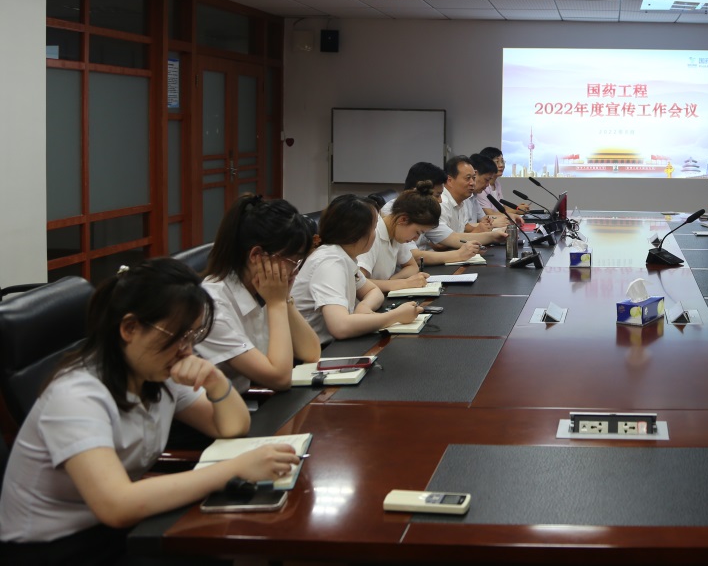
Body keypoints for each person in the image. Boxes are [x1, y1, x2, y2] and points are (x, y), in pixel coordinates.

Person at [0, 259, 300, 564]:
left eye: (192, 336)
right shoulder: (76, 396)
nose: (187, 350)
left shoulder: (154, 371)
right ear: (130, 328)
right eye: (177, 336)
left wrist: (214, 380)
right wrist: (234, 469)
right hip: (54, 547)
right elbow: (116, 505)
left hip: (116, 529)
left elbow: (231, 426)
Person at [195, 195, 321, 394]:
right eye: (292, 261)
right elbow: (279, 379)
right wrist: (277, 303)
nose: (296, 271)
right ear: (256, 256)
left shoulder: (261, 289)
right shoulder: (213, 306)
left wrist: (285, 299)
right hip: (217, 409)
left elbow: (311, 352)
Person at [291, 194, 423, 344]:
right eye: (374, 228)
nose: (375, 234)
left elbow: (373, 291)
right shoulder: (330, 262)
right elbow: (340, 327)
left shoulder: (343, 256)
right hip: (316, 351)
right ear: (357, 233)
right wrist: (395, 316)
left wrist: (364, 306)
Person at [357, 182, 437, 294]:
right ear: (403, 219)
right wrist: (404, 283)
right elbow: (358, 283)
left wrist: (392, 282)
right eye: (417, 232)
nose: (416, 238)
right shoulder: (372, 234)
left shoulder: (396, 234)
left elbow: (412, 267)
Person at [395, 162, 481, 266]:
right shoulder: (397, 210)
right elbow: (415, 257)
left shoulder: (421, 210)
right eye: (437, 195)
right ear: (420, 190)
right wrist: (459, 255)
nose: (440, 201)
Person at [440, 156, 506, 243]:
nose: (472, 183)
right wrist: (480, 232)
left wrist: (486, 231)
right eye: (468, 178)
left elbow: (463, 229)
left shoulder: (461, 201)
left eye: (473, 178)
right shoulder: (441, 202)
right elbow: (439, 244)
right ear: (450, 181)